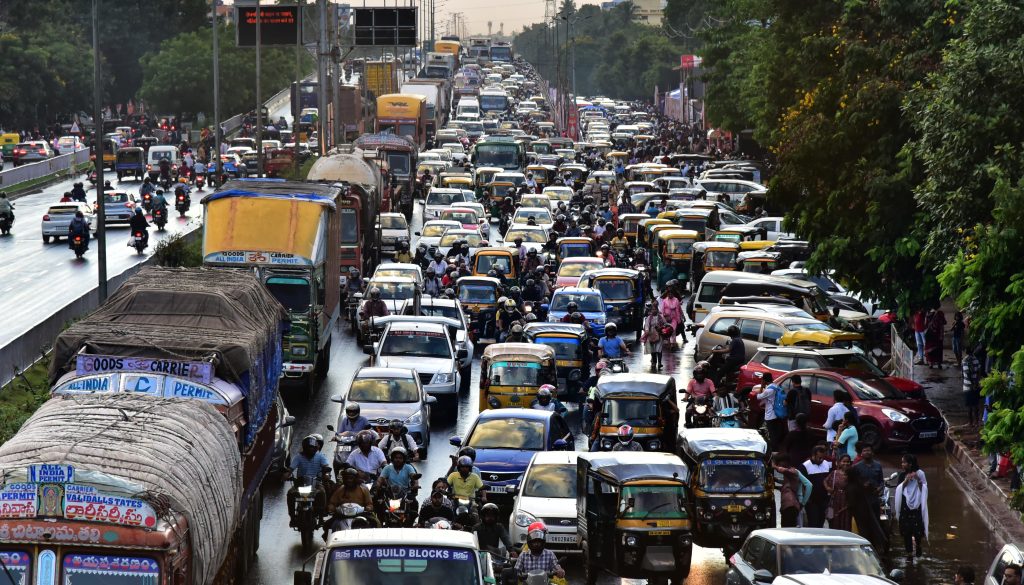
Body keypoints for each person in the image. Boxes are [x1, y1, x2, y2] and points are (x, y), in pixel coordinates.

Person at [286, 435, 331, 526]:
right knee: (290, 494)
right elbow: (290, 470)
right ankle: (292, 517)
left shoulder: (320, 456)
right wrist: (285, 476)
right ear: (304, 448)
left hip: (316, 483)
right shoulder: (298, 457)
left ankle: (321, 517)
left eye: (312, 448)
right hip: (300, 483)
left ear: (315, 448)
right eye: (308, 448)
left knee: (322, 492)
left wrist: (326, 474)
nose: (310, 450)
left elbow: (326, 467)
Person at [845, 464, 889, 553]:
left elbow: (851, 503)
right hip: (866, 511)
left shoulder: (850, 487)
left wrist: (845, 508)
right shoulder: (860, 485)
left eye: (845, 475)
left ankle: (865, 551)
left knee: (862, 532)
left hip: (858, 514)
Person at [894, 453, 928, 561]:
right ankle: (909, 553)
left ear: (910, 463)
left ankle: (918, 545)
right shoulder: (902, 475)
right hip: (905, 505)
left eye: (904, 462)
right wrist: (906, 481)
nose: (902, 464)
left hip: (917, 504)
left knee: (917, 529)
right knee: (906, 531)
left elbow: (924, 488)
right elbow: (899, 489)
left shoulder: (920, 473)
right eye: (902, 462)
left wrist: (917, 479)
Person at [773, 453, 812, 528]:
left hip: (793, 504)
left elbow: (809, 485)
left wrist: (803, 502)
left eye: (778, 463)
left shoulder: (793, 471)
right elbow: (787, 484)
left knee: (790, 528)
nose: (778, 465)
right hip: (793, 504)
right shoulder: (788, 474)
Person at [802, 445, 833, 528]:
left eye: (823, 457)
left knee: (821, 521)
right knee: (813, 522)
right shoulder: (805, 466)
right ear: (813, 455)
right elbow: (802, 484)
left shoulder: (826, 464)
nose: (821, 460)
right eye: (819, 458)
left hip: (824, 499)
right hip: (812, 500)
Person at [756, 372, 787, 450]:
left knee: (772, 434)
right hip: (778, 413)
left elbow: (758, 397)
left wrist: (762, 387)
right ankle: (777, 448)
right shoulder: (776, 387)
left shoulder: (769, 390)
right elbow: (769, 399)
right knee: (776, 433)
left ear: (764, 380)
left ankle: (774, 451)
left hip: (770, 415)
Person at [824, 453, 852, 531]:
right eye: (844, 461)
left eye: (848, 462)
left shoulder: (852, 474)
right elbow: (825, 481)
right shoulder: (834, 473)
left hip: (847, 501)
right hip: (834, 500)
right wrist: (828, 488)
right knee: (831, 519)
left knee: (845, 520)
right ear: (839, 462)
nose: (846, 463)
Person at [641, 302, 668, 370]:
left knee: (659, 349)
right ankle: (654, 362)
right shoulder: (649, 318)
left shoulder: (661, 317)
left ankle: (659, 363)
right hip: (651, 334)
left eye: (655, 309)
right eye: (652, 309)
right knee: (653, 350)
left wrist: (661, 328)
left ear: (657, 310)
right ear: (650, 311)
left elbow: (665, 324)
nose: (654, 311)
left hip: (659, 334)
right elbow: (646, 326)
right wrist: (647, 331)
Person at [962, 347, 983, 428]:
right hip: (976, 385)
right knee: (976, 404)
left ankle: (970, 423)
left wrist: (972, 384)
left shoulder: (965, 360)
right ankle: (977, 422)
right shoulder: (976, 359)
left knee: (969, 406)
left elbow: (967, 374)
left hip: (968, 386)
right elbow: (979, 372)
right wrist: (976, 383)